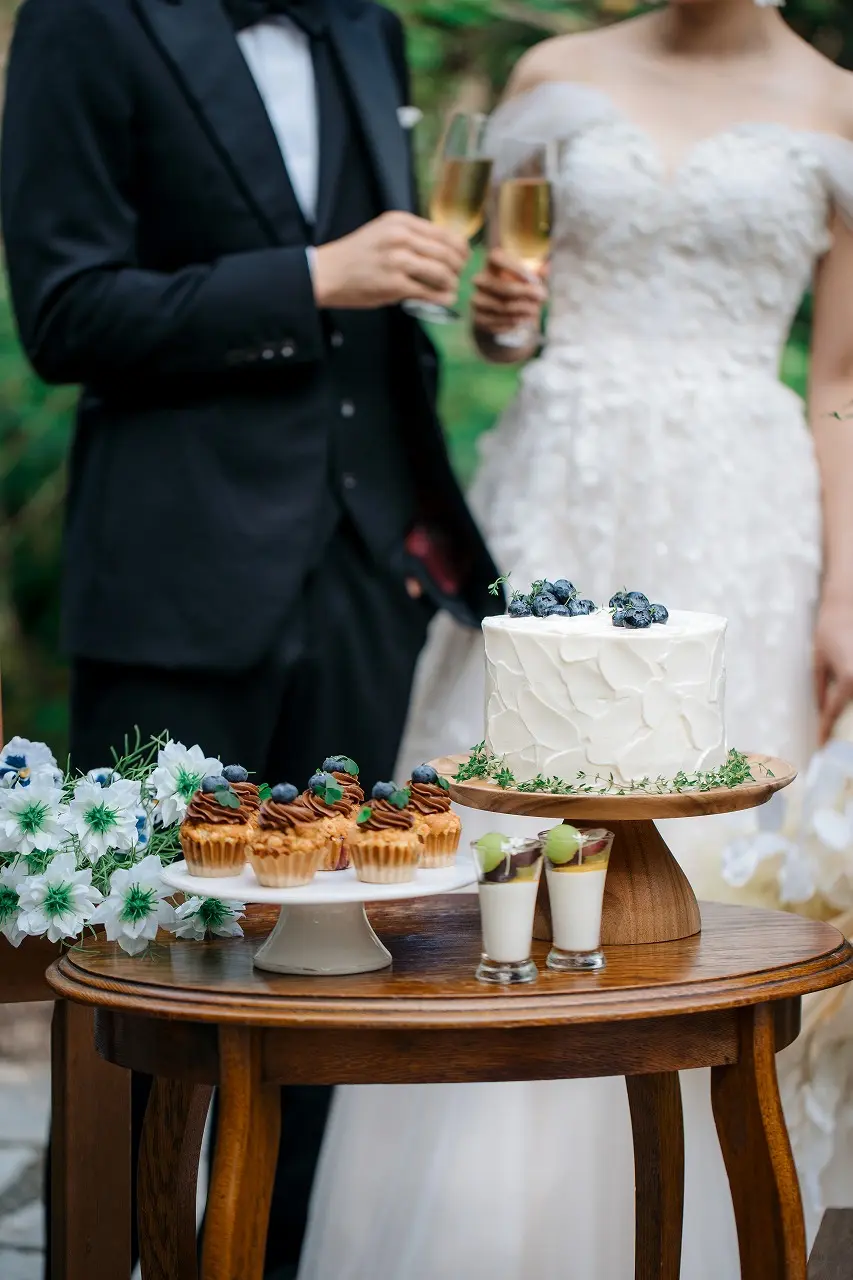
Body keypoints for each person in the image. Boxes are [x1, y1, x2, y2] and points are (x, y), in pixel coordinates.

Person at [297, 1, 853, 1277]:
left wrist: (842, 591)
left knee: (702, 861)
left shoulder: (834, 105)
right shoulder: (556, 72)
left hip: (742, 516)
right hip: (558, 494)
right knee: (496, 832)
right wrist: (501, 315)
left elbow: (838, 377)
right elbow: (506, 315)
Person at [0, 0, 499, 1273]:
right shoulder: (83, 22)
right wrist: (311, 276)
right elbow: (63, 313)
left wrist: (466, 299)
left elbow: (382, 324)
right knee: (142, 988)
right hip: (173, 578)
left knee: (335, 981)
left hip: (361, 573)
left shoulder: (365, 29)